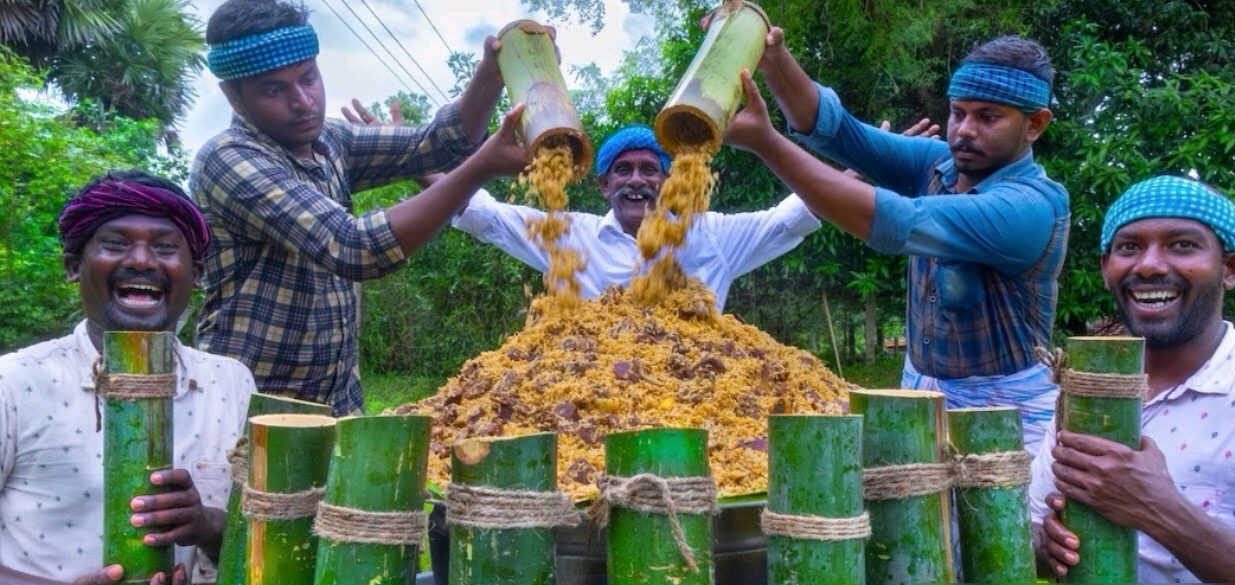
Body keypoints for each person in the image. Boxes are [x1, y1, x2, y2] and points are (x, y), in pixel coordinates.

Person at [723, 33, 1069, 455]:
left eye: (987, 117)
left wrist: (767, 143)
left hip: (1010, 418)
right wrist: (773, 57)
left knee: (1004, 523)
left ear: (1035, 124)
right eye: (958, 113)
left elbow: (896, 221)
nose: (964, 131)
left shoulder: (1030, 207)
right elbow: (837, 130)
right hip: (921, 398)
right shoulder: (938, 165)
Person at [191, 0, 529, 416]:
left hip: (336, 400)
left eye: (308, 79)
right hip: (251, 405)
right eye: (274, 90)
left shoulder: (332, 141)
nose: (303, 102)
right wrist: (482, 166)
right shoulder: (229, 159)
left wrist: (491, 76)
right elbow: (354, 247)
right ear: (235, 98)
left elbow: (437, 143)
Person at [0, 170, 256, 585]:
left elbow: (263, 543)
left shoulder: (230, 383)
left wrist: (209, 525)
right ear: (75, 265)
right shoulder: (13, 386)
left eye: (166, 248)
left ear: (196, 273)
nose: (142, 260)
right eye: (115, 244)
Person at [1034, 176, 1235, 585]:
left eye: (1182, 245)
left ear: (1231, 268)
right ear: (1106, 270)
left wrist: (1160, 509)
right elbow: (1032, 550)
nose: (1148, 264)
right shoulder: (1082, 395)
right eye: (1128, 247)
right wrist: (1045, 548)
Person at [449, 125, 822, 312]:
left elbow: (792, 217)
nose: (637, 180)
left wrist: (861, 168)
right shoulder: (566, 235)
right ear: (604, 185)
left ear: (665, 181)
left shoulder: (709, 235)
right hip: (591, 403)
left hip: (693, 407)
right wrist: (419, 160)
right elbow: (481, 213)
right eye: (623, 170)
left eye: (649, 169)